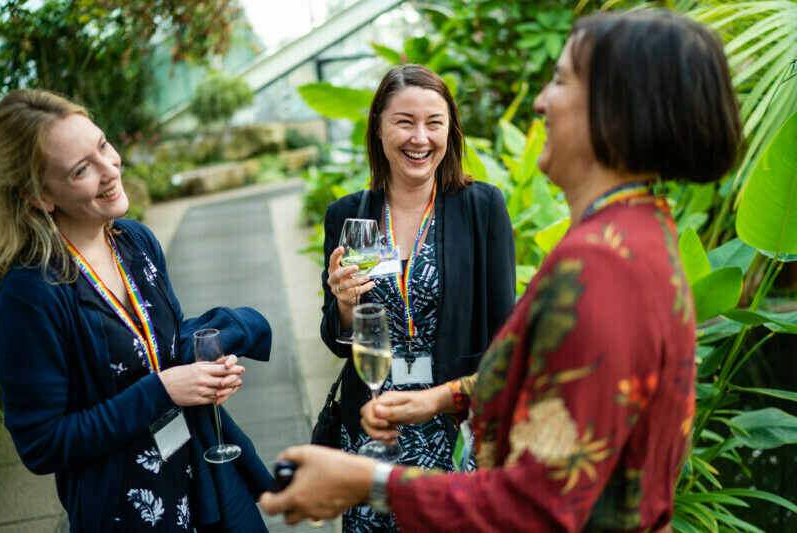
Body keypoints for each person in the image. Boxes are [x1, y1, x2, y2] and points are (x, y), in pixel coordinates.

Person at [261, 9, 742, 532]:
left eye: (559, 81)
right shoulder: (636, 234)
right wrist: (439, 399)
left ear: (615, 110)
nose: (540, 102)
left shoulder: (602, 268)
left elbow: (536, 507)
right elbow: (551, 383)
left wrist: (364, 482)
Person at [0, 89, 274, 532]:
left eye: (103, 145)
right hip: (125, 510)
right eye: (82, 169)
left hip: (197, 478)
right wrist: (162, 390)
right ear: (39, 196)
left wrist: (203, 373)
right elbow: (41, 444)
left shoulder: (134, 240)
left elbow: (158, 341)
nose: (111, 169)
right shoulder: (29, 293)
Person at [319, 64, 516, 530]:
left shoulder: (481, 208)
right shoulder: (349, 216)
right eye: (404, 121)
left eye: (434, 122)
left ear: (450, 130)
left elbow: (505, 335)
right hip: (374, 422)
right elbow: (334, 335)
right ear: (379, 128)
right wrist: (344, 304)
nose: (420, 138)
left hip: (452, 423)